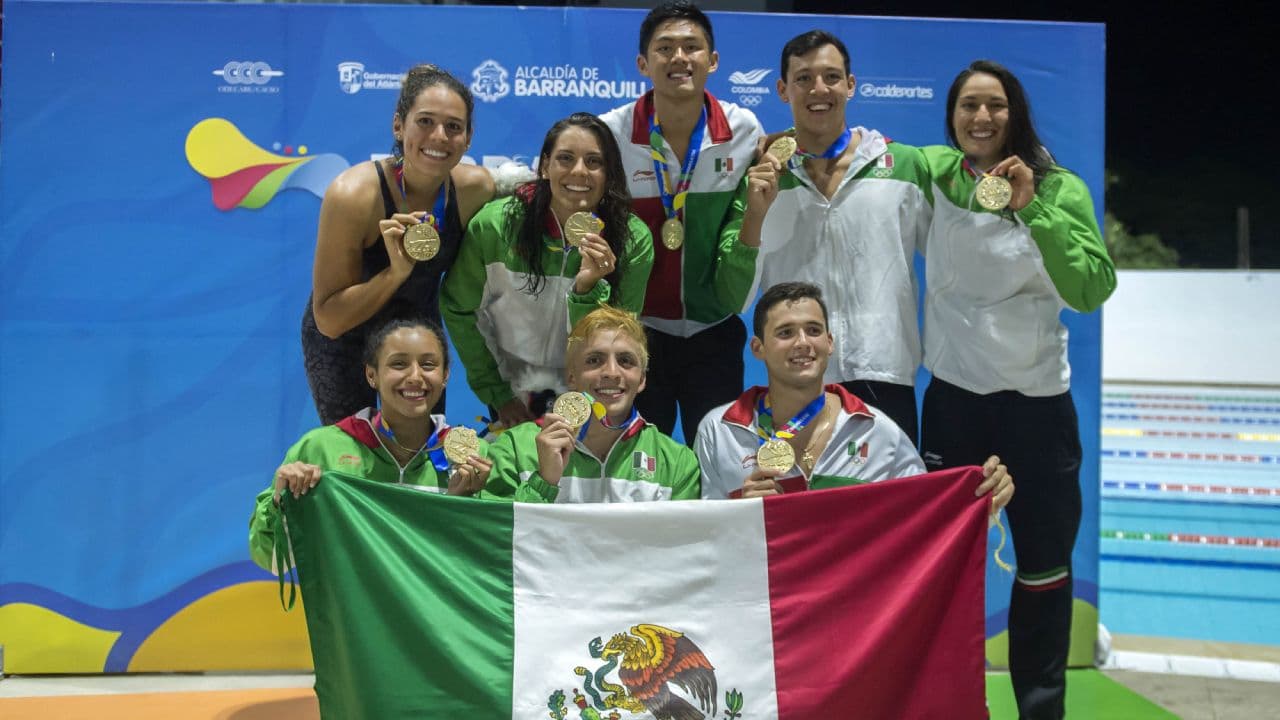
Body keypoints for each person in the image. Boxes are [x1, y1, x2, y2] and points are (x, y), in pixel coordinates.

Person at [918, 60, 1116, 720]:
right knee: (938, 567)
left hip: (1036, 409)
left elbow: (1090, 290)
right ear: (950, 117)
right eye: (968, 105)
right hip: (954, 404)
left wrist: (1034, 209)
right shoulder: (935, 176)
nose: (981, 117)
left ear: (1016, 113)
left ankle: (1040, 708)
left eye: (995, 106)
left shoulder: (1060, 188)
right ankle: (940, 702)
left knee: (1043, 566)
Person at [746, 30, 931, 446]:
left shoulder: (903, 164)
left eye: (831, 77)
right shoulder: (759, 175)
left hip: (884, 373)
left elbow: (953, 259)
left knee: (889, 511)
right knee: (803, 507)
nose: (819, 89)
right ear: (782, 89)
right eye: (804, 78)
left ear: (850, 85)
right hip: (796, 378)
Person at [601, 0, 767, 443]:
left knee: (717, 458)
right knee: (635, 461)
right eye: (665, 48)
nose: (679, 58)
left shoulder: (743, 129)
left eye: (692, 47)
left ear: (712, 61)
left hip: (714, 331)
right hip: (637, 332)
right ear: (643, 63)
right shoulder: (611, 134)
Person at [695, 282, 1012, 513]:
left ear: (830, 343)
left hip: (852, 604)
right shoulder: (719, 432)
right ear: (758, 349)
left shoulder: (877, 432)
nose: (803, 342)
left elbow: (924, 519)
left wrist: (981, 501)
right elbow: (702, 540)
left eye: (814, 330)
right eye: (785, 333)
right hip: (765, 600)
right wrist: (737, 514)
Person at [302, 64, 495, 424]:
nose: (439, 136)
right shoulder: (355, 196)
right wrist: (396, 273)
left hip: (418, 338)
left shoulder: (474, 191)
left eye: (453, 127)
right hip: (346, 338)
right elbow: (328, 319)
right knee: (354, 459)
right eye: (424, 121)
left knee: (421, 456)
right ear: (398, 126)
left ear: (468, 139)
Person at [441, 113, 653, 427]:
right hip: (511, 396)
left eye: (594, 161)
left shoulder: (632, 241)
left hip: (588, 400)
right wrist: (498, 394)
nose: (579, 171)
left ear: (609, 173)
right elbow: (460, 309)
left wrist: (588, 289)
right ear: (544, 166)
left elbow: (618, 344)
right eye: (565, 158)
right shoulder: (496, 226)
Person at [249, 316, 490, 571]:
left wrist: (463, 506)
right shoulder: (322, 449)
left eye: (428, 365)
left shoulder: (472, 457)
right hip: (352, 610)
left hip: (436, 609)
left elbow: (488, 565)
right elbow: (274, 560)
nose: (415, 376)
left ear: (445, 376)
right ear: (372, 375)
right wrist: (283, 502)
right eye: (399, 364)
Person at [484, 306, 700, 503]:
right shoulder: (515, 448)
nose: (611, 373)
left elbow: (684, 544)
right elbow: (498, 537)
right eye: (594, 360)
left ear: (642, 380)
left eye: (625, 360)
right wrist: (544, 481)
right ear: (571, 376)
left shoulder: (677, 463)